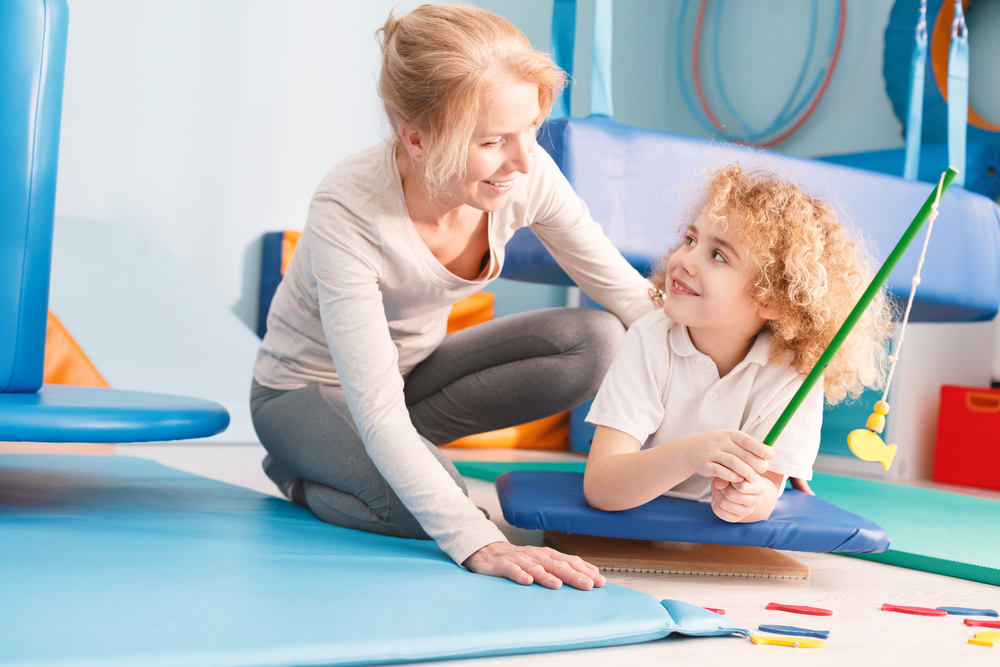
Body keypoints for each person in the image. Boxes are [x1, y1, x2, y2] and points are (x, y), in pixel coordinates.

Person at [249, 5, 653, 589]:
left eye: (530, 129)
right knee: (441, 505)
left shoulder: (523, 171)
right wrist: (478, 540)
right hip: (302, 395)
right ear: (417, 139)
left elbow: (633, 300)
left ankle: (373, 463)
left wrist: (741, 384)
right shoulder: (351, 209)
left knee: (596, 340)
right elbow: (376, 409)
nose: (524, 159)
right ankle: (300, 472)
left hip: (410, 380)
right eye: (492, 141)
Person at [583, 163, 895, 522]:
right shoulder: (649, 339)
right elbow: (601, 487)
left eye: (718, 255)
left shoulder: (796, 374)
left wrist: (751, 500)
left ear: (773, 299)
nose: (683, 260)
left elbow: (767, 489)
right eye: (690, 240)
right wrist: (688, 454)